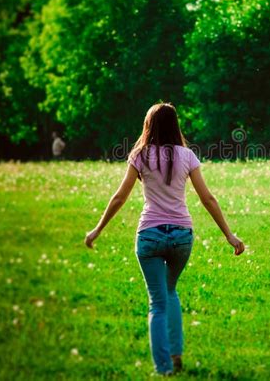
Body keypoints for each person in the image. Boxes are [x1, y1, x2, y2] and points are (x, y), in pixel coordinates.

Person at [84, 102, 245, 377]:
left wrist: (97, 229)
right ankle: (177, 355)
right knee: (170, 292)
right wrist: (229, 235)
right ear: (175, 126)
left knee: (157, 302)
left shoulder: (140, 155)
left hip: (149, 235)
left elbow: (120, 197)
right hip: (182, 237)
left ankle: (164, 369)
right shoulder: (187, 156)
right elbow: (208, 198)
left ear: (149, 126)